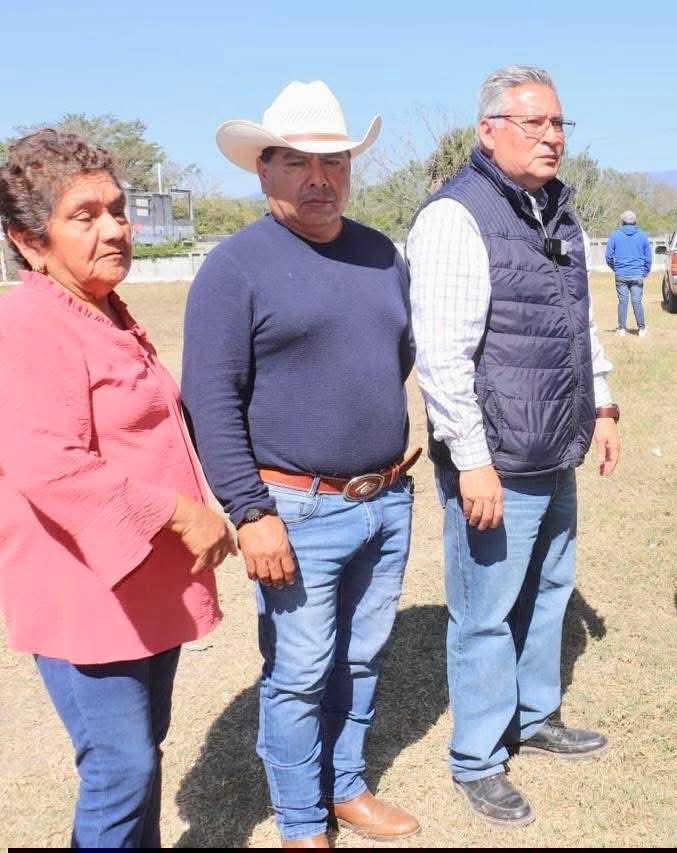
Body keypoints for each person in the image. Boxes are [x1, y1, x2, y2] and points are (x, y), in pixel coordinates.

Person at [182, 82, 419, 848]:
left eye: (336, 161)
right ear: (264, 170)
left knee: (364, 655)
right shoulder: (234, 267)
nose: (321, 178)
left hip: (385, 499)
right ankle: (301, 820)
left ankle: (345, 784)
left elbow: (398, 357)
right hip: (295, 510)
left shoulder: (382, 254)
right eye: (300, 163)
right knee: (299, 672)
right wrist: (251, 512)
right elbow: (209, 399)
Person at [0, 130, 235, 847]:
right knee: (121, 768)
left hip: (141, 579)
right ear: (28, 240)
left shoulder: (106, 309)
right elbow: (48, 463)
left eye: (119, 208)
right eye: (86, 215)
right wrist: (177, 511)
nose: (116, 228)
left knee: (139, 753)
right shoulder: (29, 322)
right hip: (84, 588)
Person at [406, 64, 621, 827]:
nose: (553, 137)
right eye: (536, 124)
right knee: (485, 612)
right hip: (495, 458)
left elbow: (579, 318)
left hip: (551, 446)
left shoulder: (556, 213)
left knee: (549, 591)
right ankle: (479, 757)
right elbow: (442, 358)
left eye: (560, 124)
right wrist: (471, 460)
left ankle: (534, 715)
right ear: (489, 130)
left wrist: (605, 400)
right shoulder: (455, 218)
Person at [605, 209, 652, 336]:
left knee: (622, 302)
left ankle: (621, 329)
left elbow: (608, 256)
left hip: (621, 274)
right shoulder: (642, 235)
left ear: (622, 221)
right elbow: (648, 257)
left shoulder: (615, 235)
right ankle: (641, 329)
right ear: (635, 222)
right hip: (637, 274)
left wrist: (616, 268)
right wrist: (645, 271)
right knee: (637, 301)